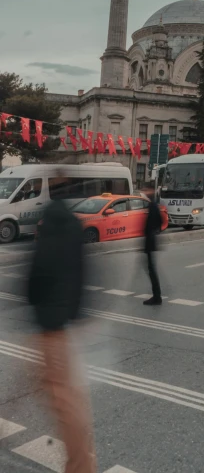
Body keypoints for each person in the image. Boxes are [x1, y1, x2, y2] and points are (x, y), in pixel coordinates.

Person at [28, 178, 96, 473]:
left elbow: (36, 272)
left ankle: (81, 466)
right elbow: (83, 271)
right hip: (64, 319)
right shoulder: (74, 225)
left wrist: (35, 299)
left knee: (63, 399)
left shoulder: (48, 226)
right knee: (62, 393)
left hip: (49, 321)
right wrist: (77, 311)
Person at [142, 187, 163, 306]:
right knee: (151, 270)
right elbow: (159, 223)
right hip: (151, 240)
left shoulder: (152, 206)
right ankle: (156, 296)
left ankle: (157, 297)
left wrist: (150, 235)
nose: (145, 193)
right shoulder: (154, 205)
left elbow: (152, 224)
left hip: (150, 241)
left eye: (147, 192)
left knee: (152, 270)